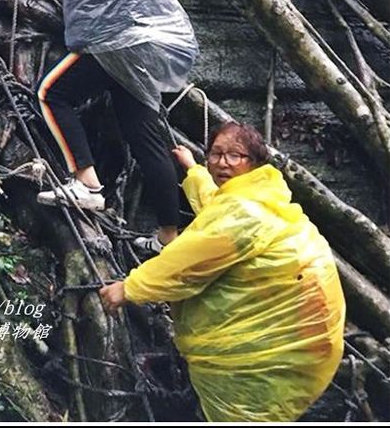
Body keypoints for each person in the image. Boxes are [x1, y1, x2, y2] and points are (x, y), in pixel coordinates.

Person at [100, 122, 346, 423]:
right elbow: (216, 210)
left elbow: (187, 263)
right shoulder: (260, 198)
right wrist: (194, 171)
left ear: (254, 162)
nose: (222, 162)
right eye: (215, 154)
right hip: (303, 352)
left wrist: (128, 288)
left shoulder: (244, 213)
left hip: (263, 357)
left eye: (234, 155)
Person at [37, 0, 197, 247]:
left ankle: (87, 183)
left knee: (51, 94)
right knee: (145, 140)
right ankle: (168, 236)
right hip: (136, 54)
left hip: (115, 46)